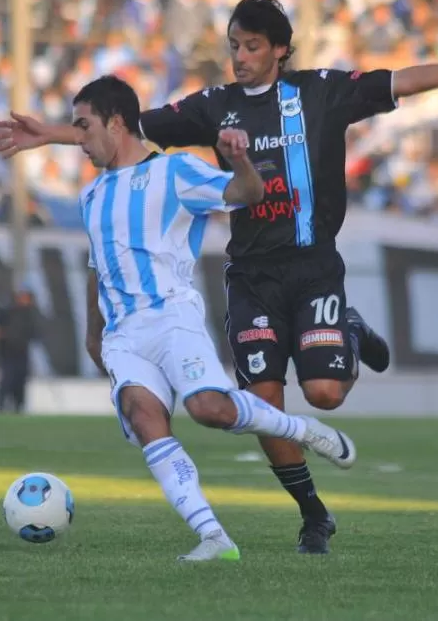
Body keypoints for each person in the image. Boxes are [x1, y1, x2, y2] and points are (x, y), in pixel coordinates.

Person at [0, 0, 438, 553]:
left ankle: (345, 328)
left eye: (252, 46)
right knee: (264, 409)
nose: (240, 57)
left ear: (280, 49)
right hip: (250, 275)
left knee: (323, 394)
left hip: (312, 264)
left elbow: (401, 81)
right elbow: (126, 130)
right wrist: (50, 135)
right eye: (233, 46)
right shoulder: (214, 105)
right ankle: (313, 514)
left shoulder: (321, 91)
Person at [73, 75, 356, 562]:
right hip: (123, 334)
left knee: (210, 409)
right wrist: (92, 331)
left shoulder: (176, 172)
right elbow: (97, 265)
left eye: (83, 126)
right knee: (145, 418)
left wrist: (241, 158)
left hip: (171, 317)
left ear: (116, 123)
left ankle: (301, 430)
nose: (77, 139)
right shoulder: (91, 196)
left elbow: (247, 193)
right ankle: (213, 536)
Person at [0, 284, 40, 414]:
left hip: (22, 352)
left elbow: (36, 333)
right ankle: (0, 408)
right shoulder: (6, 310)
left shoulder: (30, 314)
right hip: (8, 352)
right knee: (7, 380)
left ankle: (19, 408)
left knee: (20, 382)